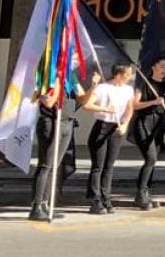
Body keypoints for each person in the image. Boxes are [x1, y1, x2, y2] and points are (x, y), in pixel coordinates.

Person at [29, 73, 99, 221]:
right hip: (52, 122)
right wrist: (59, 81)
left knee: (55, 166)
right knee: (45, 165)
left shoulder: (71, 77)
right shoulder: (48, 75)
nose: (74, 58)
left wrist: (92, 87)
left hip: (67, 122)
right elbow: (48, 102)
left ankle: (45, 204)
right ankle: (36, 206)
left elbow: (83, 101)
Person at [80, 63, 141, 215]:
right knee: (98, 165)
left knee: (109, 165)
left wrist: (126, 124)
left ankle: (106, 196)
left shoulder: (128, 89)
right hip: (102, 126)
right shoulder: (103, 88)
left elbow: (129, 108)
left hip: (116, 128)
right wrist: (105, 109)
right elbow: (87, 105)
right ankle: (95, 199)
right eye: (128, 74)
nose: (130, 77)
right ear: (119, 75)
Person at [132, 57, 165, 209]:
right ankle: (140, 194)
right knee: (151, 158)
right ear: (153, 67)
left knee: (152, 160)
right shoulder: (144, 84)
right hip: (144, 123)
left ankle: (146, 193)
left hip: (159, 126)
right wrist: (153, 102)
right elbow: (134, 104)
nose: (164, 69)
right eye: (162, 66)